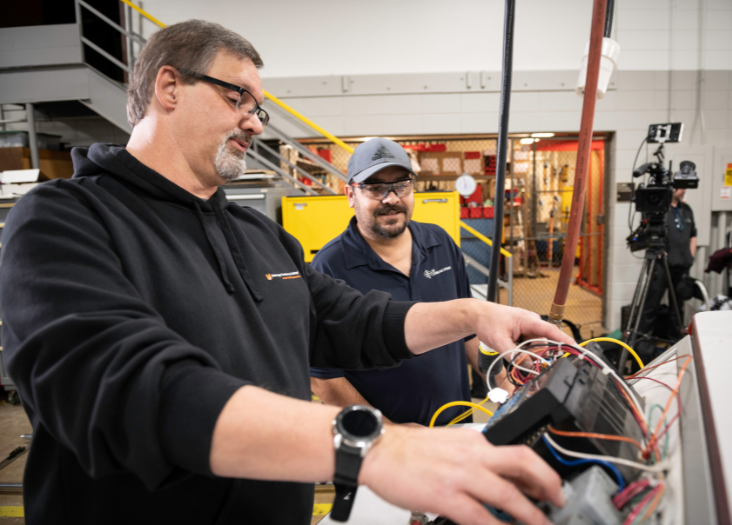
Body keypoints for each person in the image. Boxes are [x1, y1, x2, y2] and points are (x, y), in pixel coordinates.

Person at [0, 20, 572, 525]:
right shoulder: (63, 219)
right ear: (169, 86)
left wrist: (475, 312)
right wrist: (371, 446)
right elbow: (126, 388)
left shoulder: (257, 234)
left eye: (258, 108)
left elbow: (350, 319)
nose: (254, 123)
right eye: (237, 98)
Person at [310, 138, 513, 427]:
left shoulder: (440, 242)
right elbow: (323, 378)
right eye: (376, 188)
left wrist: (506, 388)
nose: (391, 198)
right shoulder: (329, 266)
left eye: (401, 185)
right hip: (385, 443)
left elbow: (469, 333)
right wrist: (390, 432)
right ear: (350, 194)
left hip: (455, 424)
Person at [640, 187, 697, 341]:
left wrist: (690, 256)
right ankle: (644, 342)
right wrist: (659, 250)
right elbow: (647, 232)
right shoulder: (658, 210)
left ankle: (675, 343)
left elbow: (693, 235)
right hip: (661, 266)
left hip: (681, 267)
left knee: (677, 309)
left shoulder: (686, 210)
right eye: (680, 187)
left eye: (685, 187)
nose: (684, 191)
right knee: (650, 306)